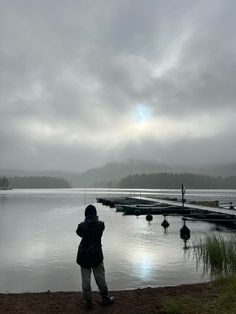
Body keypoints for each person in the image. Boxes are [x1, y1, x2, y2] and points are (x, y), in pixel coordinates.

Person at [76, 204, 115, 308]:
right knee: (100, 277)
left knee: (86, 280)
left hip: (84, 256)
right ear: (95, 214)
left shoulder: (81, 226)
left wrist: (84, 224)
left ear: (86, 214)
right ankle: (105, 298)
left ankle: (88, 301)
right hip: (97, 255)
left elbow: (79, 233)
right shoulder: (101, 225)